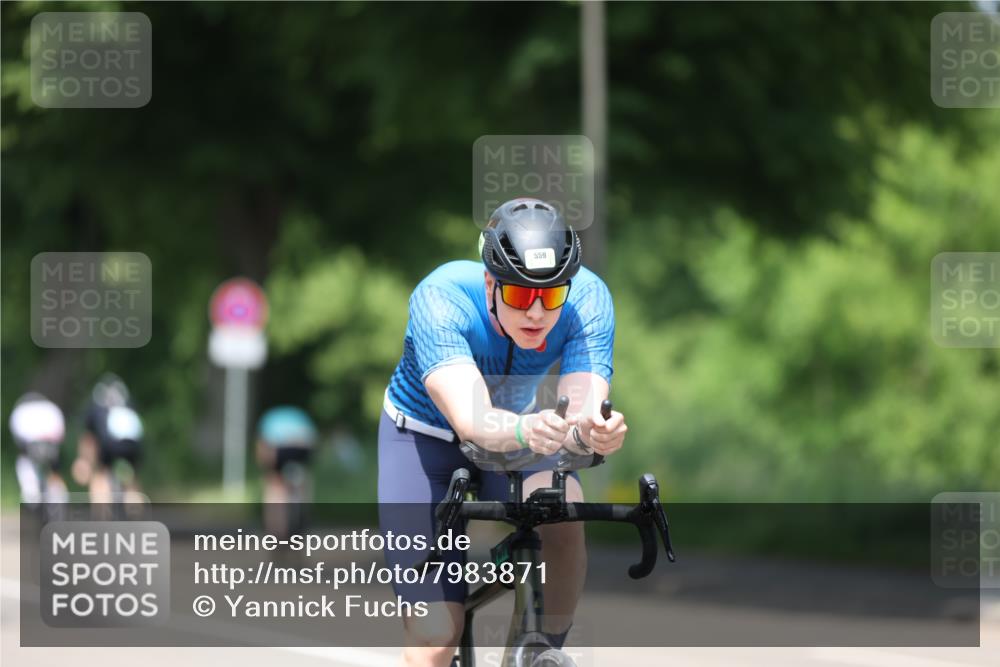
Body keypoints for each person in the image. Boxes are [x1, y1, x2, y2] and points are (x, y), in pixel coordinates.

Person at [379, 197, 628, 667]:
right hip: (422, 437)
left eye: (552, 295)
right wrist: (534, 429)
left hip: (519, 431)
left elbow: (580, 414)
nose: (536, 312)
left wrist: (591, 434)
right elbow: (472, 421)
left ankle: (539, 652)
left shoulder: (589, 299)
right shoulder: (442, 297)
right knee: (435, 637)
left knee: (564, 514)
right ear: (490, 282)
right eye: (519, 295)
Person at [72, 373, 145, 506]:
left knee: (101, 475)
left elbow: (88, 438)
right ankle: (136, 514)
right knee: (132, 480)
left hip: (109, 444)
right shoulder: (128, 403)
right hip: (133, 445)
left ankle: (102, 517)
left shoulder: (96, 407)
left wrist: (84, 460)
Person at [256, 405, 318, 538]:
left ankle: (275, 529)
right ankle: (303, 506)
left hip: (278, 447)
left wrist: (268, 471)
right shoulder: (301, 416)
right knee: (303, 481)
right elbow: (314, 443)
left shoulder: (269, 418)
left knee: (274, 485)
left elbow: (262, 448)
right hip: (303, 446)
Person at [9, 392, 69, 508]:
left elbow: (20, 442)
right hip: (48, 448)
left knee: (26, 463)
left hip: (31, 448)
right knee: (52, 471)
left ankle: (35, 495)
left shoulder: (22, 412)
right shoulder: (51, 411)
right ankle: (49, 495)